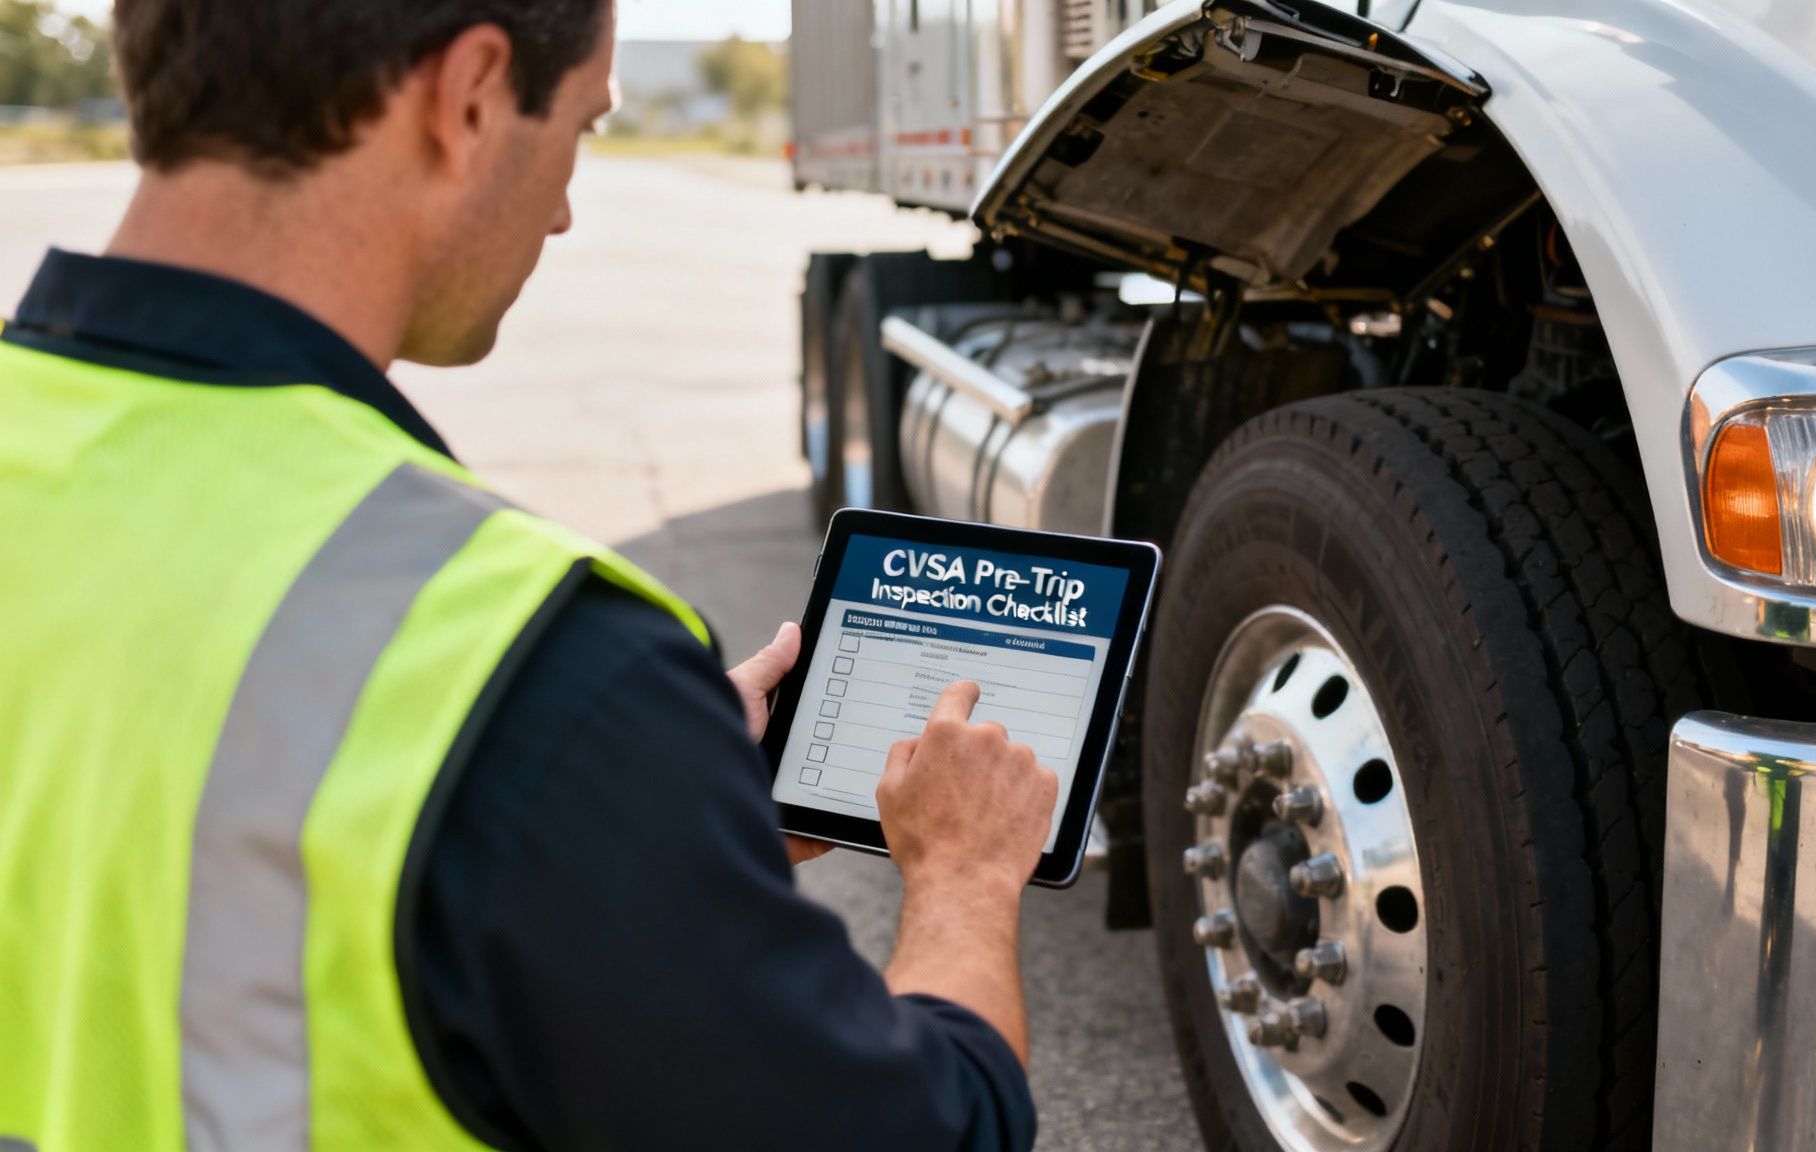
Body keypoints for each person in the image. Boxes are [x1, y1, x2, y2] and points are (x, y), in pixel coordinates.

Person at [0, 2, 1060, 1150]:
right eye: (581, 129)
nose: (560, 208)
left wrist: (637, 817)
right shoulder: (535, 669)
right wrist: (962, 871)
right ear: (468, 96)